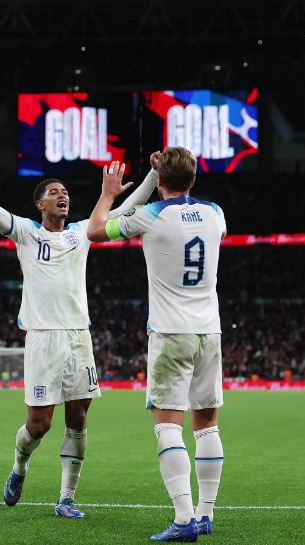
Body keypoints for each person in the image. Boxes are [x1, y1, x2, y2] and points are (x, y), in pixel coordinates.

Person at [0, 137, 160, 518]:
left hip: (79, 336)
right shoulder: (26, 232)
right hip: (43, 339)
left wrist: (155, 174)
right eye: (55, 192)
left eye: (66, 192)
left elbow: (128, 206)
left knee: (78, 418)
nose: (63, 196)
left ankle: (66, 498)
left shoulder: (80, 233)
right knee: (39, 425)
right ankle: (18, 469)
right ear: (40, 203)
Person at [87, 147, 226, 542]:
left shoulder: (151, 215)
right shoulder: (216, 214)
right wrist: (164, 176)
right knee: (207, 423)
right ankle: (205, 514)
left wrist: (110, 195)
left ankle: (183, 519)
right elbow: (194, 218)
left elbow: (95, 230)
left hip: (170, 332)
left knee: (168, 424)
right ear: (194, 179)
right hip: (210, 331)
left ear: (159, 180)